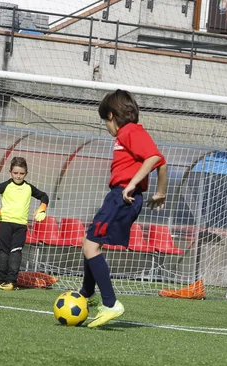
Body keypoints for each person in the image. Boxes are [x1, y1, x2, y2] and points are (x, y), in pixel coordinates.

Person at [81, 89, 168, 328]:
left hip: (123, 196)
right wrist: (160, 192)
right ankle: (86, 294)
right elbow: (161, 162)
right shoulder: (129, 134)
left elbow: (154, 158)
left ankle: (110, 303)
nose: (107, 129)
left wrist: (130, 184)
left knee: (90, 244)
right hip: (120, 195)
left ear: (111, 115)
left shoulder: (129, 131)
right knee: (90, 241)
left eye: (105, 123)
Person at [0, 156, 49, 291]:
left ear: (26, 173)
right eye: (15, 173)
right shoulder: (6, 185)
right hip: (5, 223)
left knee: (16, 252)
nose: (18, 176)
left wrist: (42, 209)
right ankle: (1, 280)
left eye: (21, 173)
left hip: (21, 226)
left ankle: (11, 282)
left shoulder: (29, 188)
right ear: (10, 172)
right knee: (3, 252)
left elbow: (44, 196)